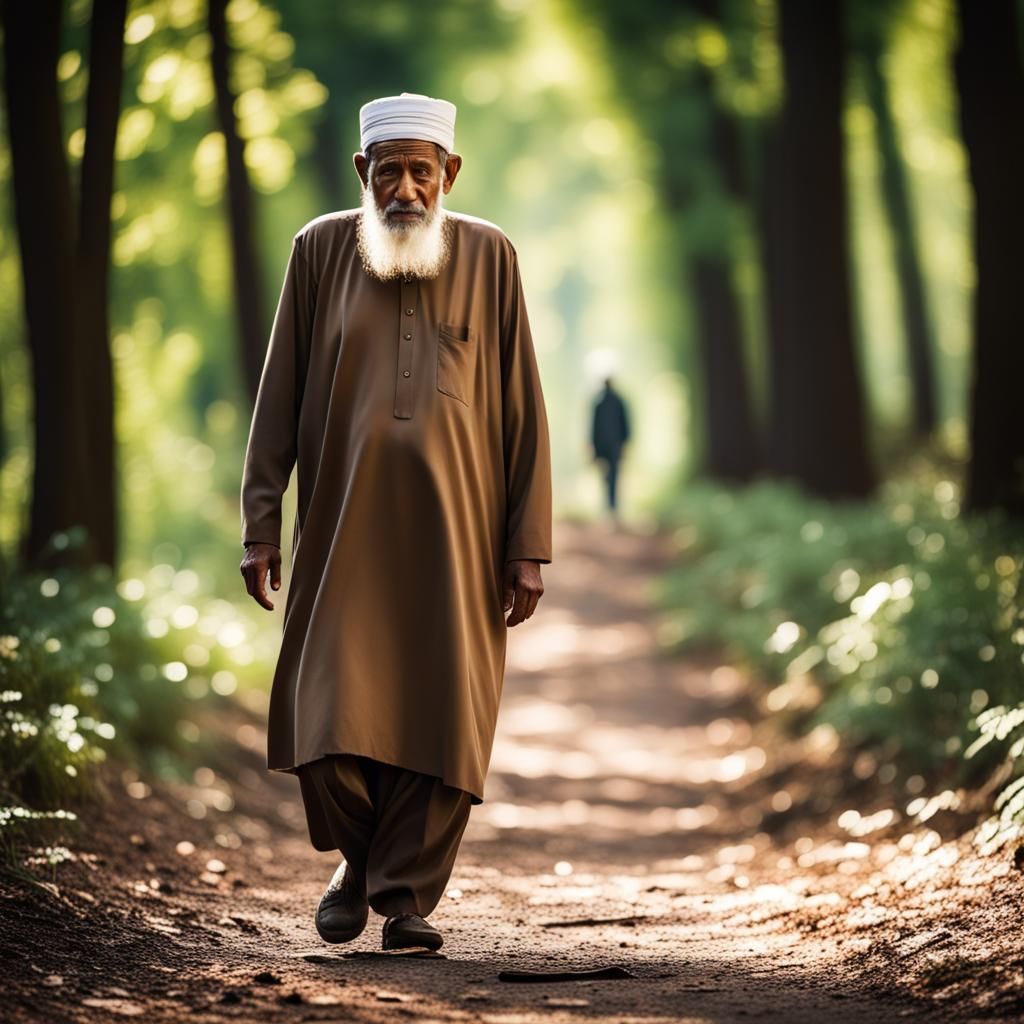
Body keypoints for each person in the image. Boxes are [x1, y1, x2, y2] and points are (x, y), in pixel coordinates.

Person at [238, 93, 553, 952]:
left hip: (461, 539)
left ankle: (403, 901)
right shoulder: (317, 251)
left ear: (449, 173)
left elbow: (522, 407)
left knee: (443, 718)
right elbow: (277, 400)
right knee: (326, 716)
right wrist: (260, 523)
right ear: (362, 174)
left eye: (422, 170)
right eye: (389, 171)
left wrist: (528, 547)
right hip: (343, 534)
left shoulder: (491, 255)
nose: (405, 189)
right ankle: (360, 856)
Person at [590, 376, 630, 523]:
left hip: (605, 446)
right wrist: (625, 442)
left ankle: (610, 506)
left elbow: (593, 428)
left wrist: (594, 447)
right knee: (612, 475)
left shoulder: (599, 403)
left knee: (607, 475)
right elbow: (626, 424)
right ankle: (611, 506)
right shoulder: (618, 402)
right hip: (614, 445)